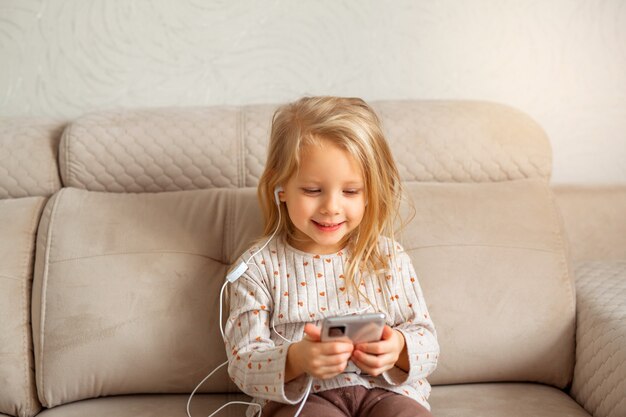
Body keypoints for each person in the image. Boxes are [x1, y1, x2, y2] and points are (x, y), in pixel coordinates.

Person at [224, 96, 438, 417]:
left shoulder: (388, 257)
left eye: (351, 191)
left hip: (386, 391)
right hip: (304, 400)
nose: (331, 207)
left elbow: (427, 341)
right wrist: (296, 359)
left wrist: (399, 349)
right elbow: (242, 363)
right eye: (312, 190)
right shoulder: (257, 267)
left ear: (370, 194)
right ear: (280, 188)